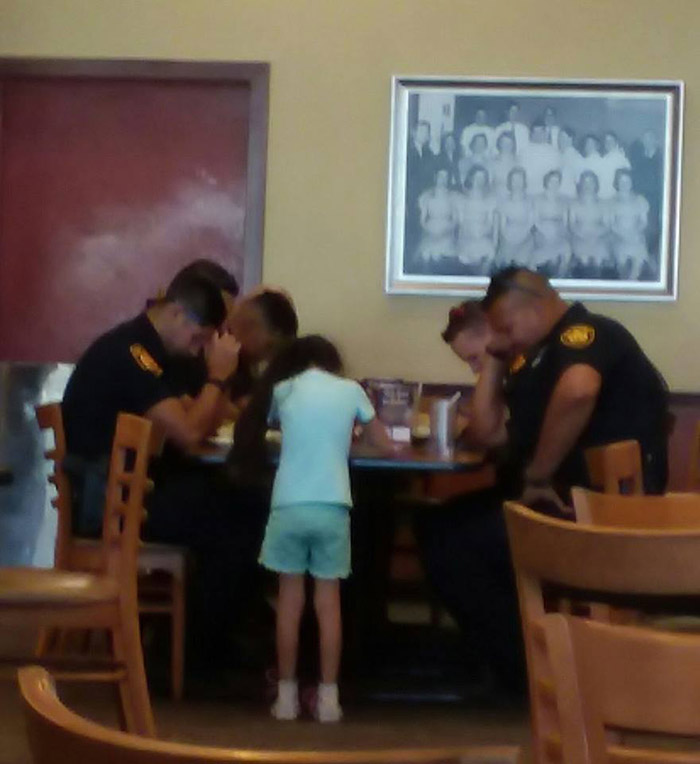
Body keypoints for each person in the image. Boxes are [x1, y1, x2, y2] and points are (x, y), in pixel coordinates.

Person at [418, 268, 669, 697]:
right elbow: (487, 433)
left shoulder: (586, 336)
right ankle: (514, 663)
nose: (499, 338)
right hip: (569, 505)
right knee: (438, 525)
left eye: (505, 327)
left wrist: (537, 475)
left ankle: (526, 676)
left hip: (593, 515)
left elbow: (578, 392)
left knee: (455, 542)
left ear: (535, 308)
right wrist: (495, 361)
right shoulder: (534, 355)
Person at [231, 335, 395, 722]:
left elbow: (265, 425)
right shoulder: (350, 390)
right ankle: (328, 699)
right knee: (328, 605)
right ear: (332, 362)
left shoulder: (283, 389)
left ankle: (285, 698)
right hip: (333, 507)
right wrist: (345, 444)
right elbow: (385, 446)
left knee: (289, 604)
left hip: (287, 505)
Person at [609, 168, 651, 280]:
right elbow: (611, 224)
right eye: (621, 181)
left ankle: (632, 281)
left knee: (639, 256)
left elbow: (643, 222)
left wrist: (635, 233)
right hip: (618, 237)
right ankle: (625, 282)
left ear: (632, 182)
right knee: (621, 258)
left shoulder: (640, 199)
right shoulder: (611, 201)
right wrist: (623, 235)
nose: (624, 184)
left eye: (627, 181)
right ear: (617, 183)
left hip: (636, 236)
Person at [455, 165, 497, 272]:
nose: (480, 182)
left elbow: (490, 223)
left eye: (482, 179)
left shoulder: (489, 201)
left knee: (489, 252)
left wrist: (481, 233)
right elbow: (461, 223)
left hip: (483, 237)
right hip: (466, 237)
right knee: (466, 257)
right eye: (477, 178)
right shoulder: (462, 200)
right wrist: (471, 234)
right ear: (470, 178)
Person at [569, 169, 610, 277]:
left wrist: (596, 236)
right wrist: (582, 235)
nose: (588, 185)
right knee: (584, 259)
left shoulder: (603, 204)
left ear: (596, 185)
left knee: (599, 259)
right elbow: (572, 225)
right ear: (581, 184)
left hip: (598, 238)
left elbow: (607, 225)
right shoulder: (574, 204)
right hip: (579, 237)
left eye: (591, 182)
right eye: (585, 182)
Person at [415, 167, 459, 265]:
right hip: (430, 232)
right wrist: (430, 231)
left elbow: (455, 221)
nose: (443, 180)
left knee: (444, 255)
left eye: (446, 177)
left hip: (447, 233)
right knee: (426, 254)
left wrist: (445, 232)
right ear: (436, 177)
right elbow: (422, 220)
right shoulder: (426, 196)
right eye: (441, 176)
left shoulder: (453, 197)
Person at [532, 170, 571, 276]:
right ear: (546, 182)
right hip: (541, 233)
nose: (554, 184)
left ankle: (560, 279)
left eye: (557, 182)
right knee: (540, 255)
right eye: (551, 181)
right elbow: (535, 220)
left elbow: (566, 222)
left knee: (566, 250)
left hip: (558, 233)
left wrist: (558, 233)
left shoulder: (564, 200)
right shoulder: (537, 199)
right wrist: (546, 232)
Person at [496, 167, 534, 268]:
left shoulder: (530, 201)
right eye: (514, 180)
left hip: (525, 239)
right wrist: (510, 239)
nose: (517, 183)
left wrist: (521, 238)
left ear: (524, 182)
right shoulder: (503, 202)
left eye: (520, 180)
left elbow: (530, 223)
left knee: (523, 265)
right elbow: (502, 226)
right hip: (508, 238)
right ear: (510, 182)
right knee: (505, 266)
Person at [598, 131, 631, 200]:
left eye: (611, 140)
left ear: (616, 142)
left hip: (613, 195)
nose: (608, 143)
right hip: (602, 194)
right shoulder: (604, 158)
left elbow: (627, 176)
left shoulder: (621, 157)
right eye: (606, 141)